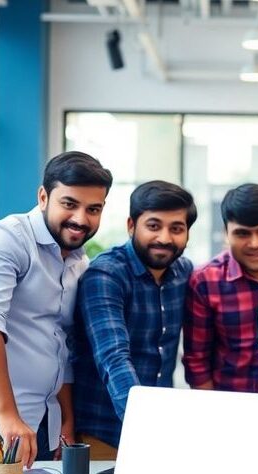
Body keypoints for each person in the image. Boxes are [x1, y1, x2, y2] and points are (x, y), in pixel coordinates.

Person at [0, 151, 113, 467]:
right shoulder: (5, 239)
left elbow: (61, 344)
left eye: (93, 209)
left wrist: (66, 417)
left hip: (44, 421)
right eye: (69, 204)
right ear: (43, 196)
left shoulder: (79, 262)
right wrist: (6, 414)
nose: (81, 218)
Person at [71, 181, 196, 458]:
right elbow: (113, 357)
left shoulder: (183, 272)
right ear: (131, 225)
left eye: (176, 228)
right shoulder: (106, 275)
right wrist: (144, 426)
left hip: (160, 432)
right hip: (105, 432)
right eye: (153, 226)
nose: (164, 237)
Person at [183, 184, 258, 392]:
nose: (254, 243)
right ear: (226, 233)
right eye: (242, 234)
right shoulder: (206, 281)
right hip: (232, 403)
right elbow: (197, 362)